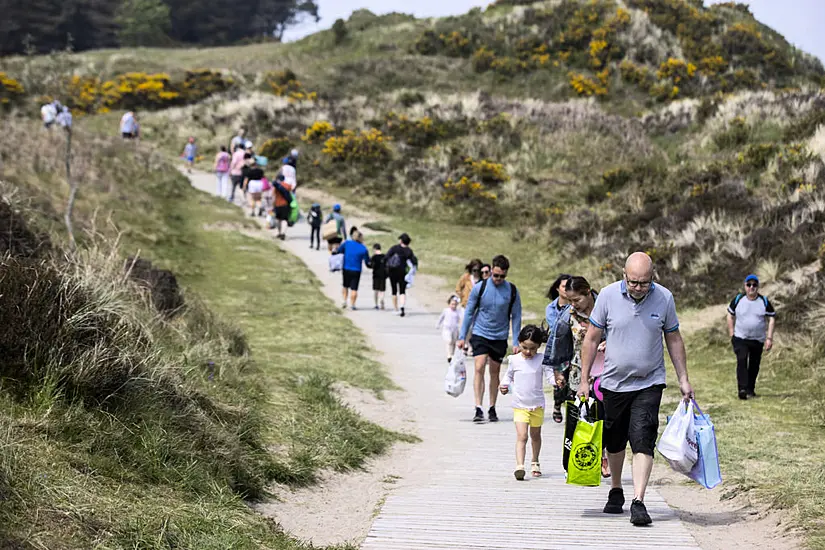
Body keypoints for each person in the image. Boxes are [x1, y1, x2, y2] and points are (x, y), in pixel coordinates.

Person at [578, 252, 693, 527]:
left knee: (643, 436)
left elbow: (674, 339)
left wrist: (684, 378)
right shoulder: (606, 296)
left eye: (644, 282)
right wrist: (584, 379)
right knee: (615, 440)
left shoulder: (664, 298)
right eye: (633, 282)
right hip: (614, 383)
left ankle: (638, 501)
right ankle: (616, 488)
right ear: (623, 275)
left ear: (652, 277)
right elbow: (591, 339)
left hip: (649, 381)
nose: (639, 288)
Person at [458, 255, 523, 423]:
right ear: (491, 271)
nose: (498, 279)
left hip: (499, 336)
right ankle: (478, 407)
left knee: (494, 371)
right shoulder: (480, 288)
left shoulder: (512, 291)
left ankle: (492, 407)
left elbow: (516, 317)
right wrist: (462, 337)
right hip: (480, 333)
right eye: (495, 275)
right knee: (479, 366)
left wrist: (516, 341)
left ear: (506, 274)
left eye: (502, 276)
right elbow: (469, 313)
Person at [564, 276, 610, 478]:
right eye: (570, 300)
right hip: (580, 369)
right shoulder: (570, 313)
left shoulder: (606, 306)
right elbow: (561, 340)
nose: (573, 304)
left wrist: (609, 342)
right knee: (584, 416)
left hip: (607, 368)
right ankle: (580, 460)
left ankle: (603, 455)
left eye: (576, 300)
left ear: (588, 292)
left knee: (604, 415)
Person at [499, 325, 550, 480]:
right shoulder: (514, 360)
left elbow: (549, 375)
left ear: (539, 346)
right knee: (522, 436)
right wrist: (504, 385)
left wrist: (557, 381)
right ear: (519, 343)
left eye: (532, 349)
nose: (528, 352)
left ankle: (535, 461)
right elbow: (508, 376)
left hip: (537, 405)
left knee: (535, 435)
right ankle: (519, 466)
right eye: (524, 348)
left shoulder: (541, 359)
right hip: (520, 405)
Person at [727, 274, 776, 400]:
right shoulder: (739, 299)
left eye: (754, 285)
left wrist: (769, 338)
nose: (751, 287)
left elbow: (771, 318)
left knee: (754, 364)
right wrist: (732, 333)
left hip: (757, 339)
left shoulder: (763, 301)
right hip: (740, 338)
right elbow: (730, 315)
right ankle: (742, 389)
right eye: (749, 285)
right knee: (742, 360)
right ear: (745, 286)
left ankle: (750, 389)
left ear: (758, 287)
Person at [542, 274, 573, 423]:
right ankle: (557, 404)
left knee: (573, 379)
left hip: (573, 347)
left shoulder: (576, 305)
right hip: (558, 347)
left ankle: (572, 409)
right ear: (557, 288)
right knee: (560, 379)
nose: (566, 290)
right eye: (563, 287)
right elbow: (557, 327)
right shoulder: (551, 308)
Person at [333, 231, 371, 310]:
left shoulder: (347, 243)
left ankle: (344, 300)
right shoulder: (363, 248)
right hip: (356, 269)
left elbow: (339, 250)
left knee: (345, 285)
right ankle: (352, 304)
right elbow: (367, 261)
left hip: (346, 268)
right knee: (354, 288)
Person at [385, 233, 418, 317]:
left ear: (401, 240)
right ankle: (402, 307)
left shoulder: (394, 248)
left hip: (393, 271)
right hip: (403, 272)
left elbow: (386, 257)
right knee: (402, 291)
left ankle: (396, 309)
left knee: (394, 290)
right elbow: (414, 261)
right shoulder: (409, 251)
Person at [436, 295, 462, 364]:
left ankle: (452, 355)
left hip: (455, 329)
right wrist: (438, 324)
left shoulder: (458, 312)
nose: (453, 306)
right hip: (447, 329)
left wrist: (461, 327)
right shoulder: (446, 311)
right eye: (452, 304)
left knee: (453, 343)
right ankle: (449, 355)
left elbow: (461, 319)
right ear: (449, 304)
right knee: (449, 341)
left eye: (455, 304)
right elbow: (441, 318)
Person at [272, 170, 294, 240]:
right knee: (285, 219)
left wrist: (272, 205)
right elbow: (291, 192)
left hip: (277, 204)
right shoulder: (287, 186)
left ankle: (279, 233)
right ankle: (283, 233)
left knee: (278, 219)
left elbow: (273, 195)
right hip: (286, 205)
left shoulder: (276, 186)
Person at [370, 244, 387, 309]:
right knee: (382, 290)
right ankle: (382, 299)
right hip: (383, 275)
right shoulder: (384, 256)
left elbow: (371, 266)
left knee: (376, 290)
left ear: (374, 249)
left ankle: (376, 304)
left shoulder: (374, 257)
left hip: (376, 275)